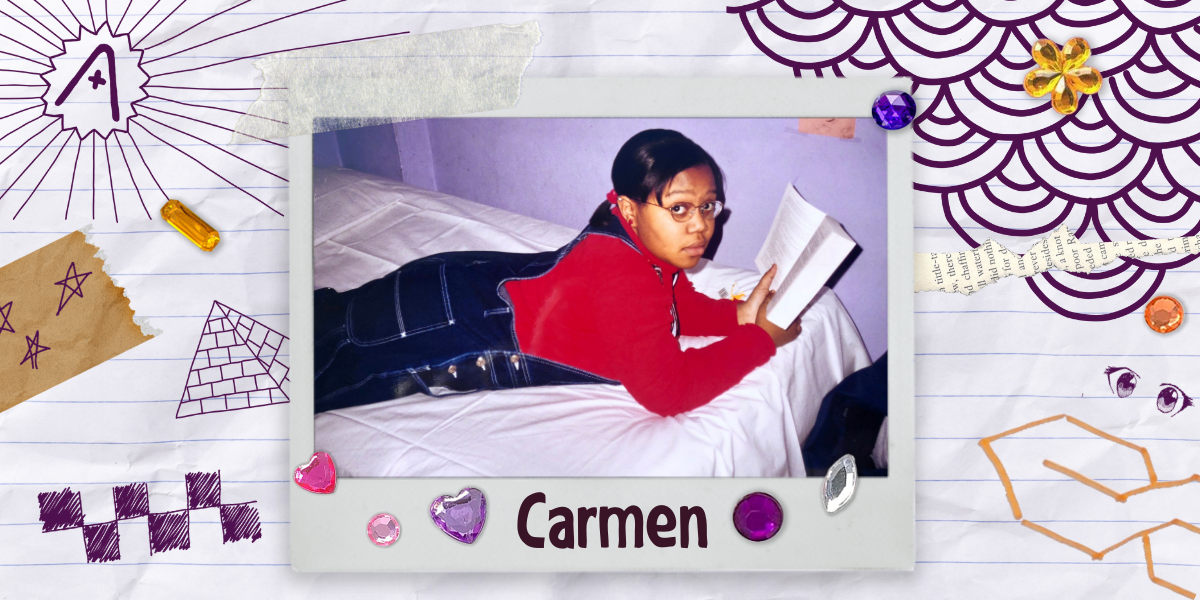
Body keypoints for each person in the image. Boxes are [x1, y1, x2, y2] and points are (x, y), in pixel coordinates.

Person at [313, 129, 801, 416]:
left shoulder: (643, 246)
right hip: (444, 323)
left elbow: (673, 306)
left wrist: (737, 315)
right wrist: (758, 340)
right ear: (628, 209)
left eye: (709, 206)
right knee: (304, 373)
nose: (701, 226)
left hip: (464, 282)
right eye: (679, 208)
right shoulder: (624, 274)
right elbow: (667, 391)